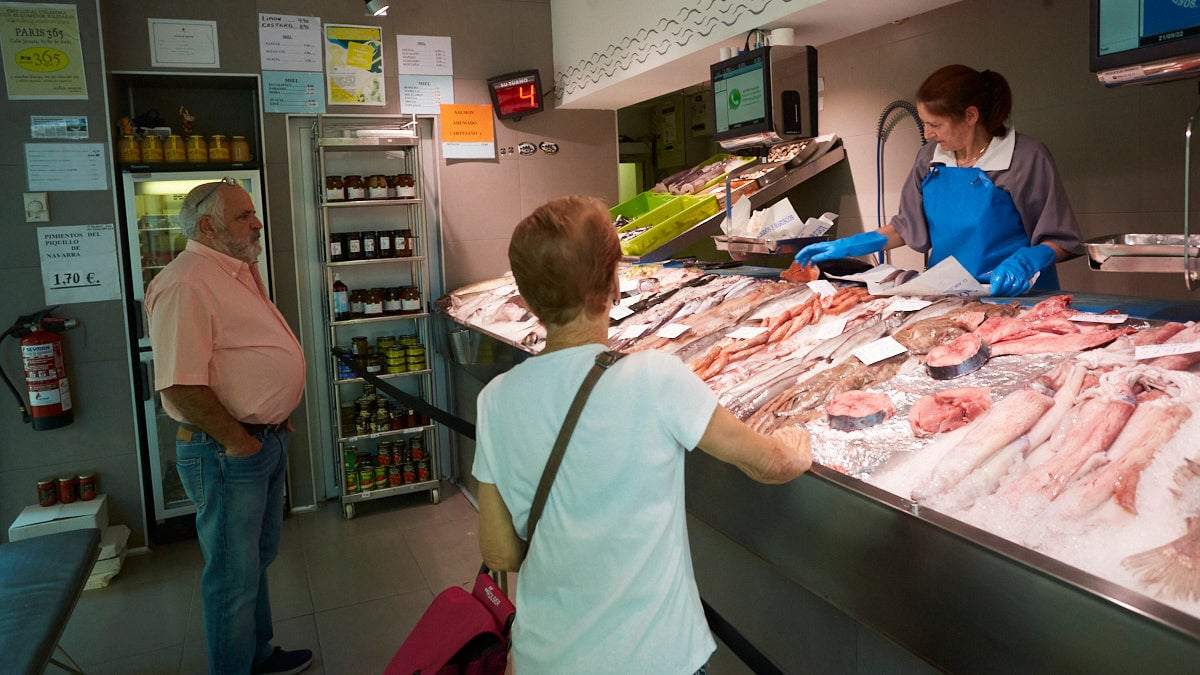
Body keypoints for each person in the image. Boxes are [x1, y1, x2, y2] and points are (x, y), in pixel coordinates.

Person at [473, 195, 813, 673]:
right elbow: (770, 464)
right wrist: (797, 446)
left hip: (546, 658)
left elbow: (500, 550)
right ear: (614, 284)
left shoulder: (494, 399)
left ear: (527, 299)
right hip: (658, 657)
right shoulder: (655, 377)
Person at [145, 178, 310, 675]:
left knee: (253, 564)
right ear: (209, 226)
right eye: (244, 216)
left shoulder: (234, 270)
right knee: (232, 579)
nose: (257, 223)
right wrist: (239, 440)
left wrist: (274, 418)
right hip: (226, 451)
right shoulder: (186, 282)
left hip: (261, 440)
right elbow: (179, 386)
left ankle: (255, 656)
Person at [794, 64, 1084, 296]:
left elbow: (1060, 239)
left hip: (1019, 298)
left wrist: (1029, 261)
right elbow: (907, 228)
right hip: (948, 296)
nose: (928, 133)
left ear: (970, 115)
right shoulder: (929, 158)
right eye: (924, 123)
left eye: (935, 124)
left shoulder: (1025, 157)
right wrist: (849, 245)